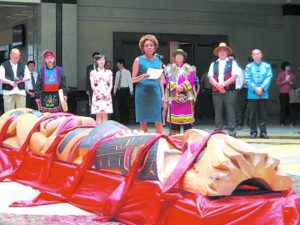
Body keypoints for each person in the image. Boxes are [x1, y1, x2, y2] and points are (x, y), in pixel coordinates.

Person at [132, 34, 164, 134]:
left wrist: (163, 96)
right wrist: (142, 77)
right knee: (143, 120)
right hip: (142, 92)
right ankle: (144, 143)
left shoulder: (158, 60)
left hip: (155, 92)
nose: (149, 47)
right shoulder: (138, 60)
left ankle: (160, 141)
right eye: (146, 45)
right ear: (143, 47)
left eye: (151, 45)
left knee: (158, 120)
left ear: (154, 47)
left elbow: (160, 79)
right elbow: (132, 79)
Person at [208, 43, 239, 137]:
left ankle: (232, 133)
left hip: (230, 91)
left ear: (227, 52)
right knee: (218, 112)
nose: (222, 52)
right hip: (216, 91)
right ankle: (218, 132)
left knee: (231, 112)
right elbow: (210, 77)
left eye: (224, 50)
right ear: (217, 53)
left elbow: (234, 77)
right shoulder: (213, 64)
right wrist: (218, 86)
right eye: (220, 50)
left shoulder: (232, 63)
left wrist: (223, 85)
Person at [164, 49, 195, 135]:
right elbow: (167, 80)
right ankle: (175, 139)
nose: (178, 57)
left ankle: (187, 139)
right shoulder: (169, 69)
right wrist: (174, 86)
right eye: (177, 55)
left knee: (187, 121)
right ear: (174, 58)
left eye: (180, 55)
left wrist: (182, 87)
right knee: (174, 121)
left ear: (183, 58)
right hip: (174, 97)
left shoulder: (189, 69)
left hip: (186, 97)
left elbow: (191, 80)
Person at [244, 49, 273, 139]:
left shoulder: (267, 66)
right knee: (252, 114)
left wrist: (262, 88)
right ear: (252, 56)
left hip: (263, 93)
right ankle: (253, 131)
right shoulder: (248, 67)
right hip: (252, 93)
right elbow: (247, 79)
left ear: (261, 55)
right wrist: (255, 88)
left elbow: (269, 77)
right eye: (254, 54)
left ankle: (263, 132)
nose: (256, 56)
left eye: (258, 54)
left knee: (263, 114)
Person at [0, 48, 30, 112]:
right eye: (14, 57)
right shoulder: (3, 65)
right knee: (9, 113)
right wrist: (10, 82)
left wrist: (20, 80)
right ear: (10, 56)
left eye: (18, 57)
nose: (16, 59)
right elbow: (1, 78)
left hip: (20, 92)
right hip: (8, 92)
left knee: (21, 113)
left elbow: (28, 77)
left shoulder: (24, 65)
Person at [90, 54, 113, 124]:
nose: (101, 61)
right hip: (97, 94)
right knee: (98, 114)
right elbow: (92, 85)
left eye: (103, 60)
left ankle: (105, 131)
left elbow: (111, 85)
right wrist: (98, 94)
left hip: (106, 93)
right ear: (96, 61)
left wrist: (107, 93)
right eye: (99, 60)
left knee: (105, 114)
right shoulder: (93, 72)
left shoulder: (109, 72)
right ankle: (99, 131)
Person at [113, 58, 133, 124]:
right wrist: (114, 91)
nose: (117, 65)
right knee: (119, 105)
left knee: (125, 105)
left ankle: (126, 120)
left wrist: (131, 90)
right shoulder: (117, 73)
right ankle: (121, 120)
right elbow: (116, 82)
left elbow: (130, 81)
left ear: (121, 64)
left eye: (118, 64)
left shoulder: (127, 72)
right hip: (119, 90)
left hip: (125, 90)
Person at [276, 61, 296, 126]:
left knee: (291, 107)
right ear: (284, 67)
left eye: (289, 66)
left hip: (290, 93)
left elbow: (294, 83)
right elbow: (278, 83)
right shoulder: (280, 74)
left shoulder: (291, 74)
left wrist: (291, 83)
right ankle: (282, 122)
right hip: (282, 93)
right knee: (283, 107)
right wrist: (284, 81)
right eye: (287, 66)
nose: (289, 67)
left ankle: (292, 121)